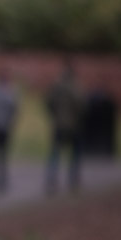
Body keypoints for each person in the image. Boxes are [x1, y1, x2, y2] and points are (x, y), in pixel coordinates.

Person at [44, 61, 86, 194]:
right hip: (73, 125)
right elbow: (81, 105)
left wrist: (55, 115)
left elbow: (49, 103)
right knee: (75, 154)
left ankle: (51, 180)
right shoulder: (75, 88)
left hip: (59, 124)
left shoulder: (56, 87)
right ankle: (73, 181)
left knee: (55, 153)